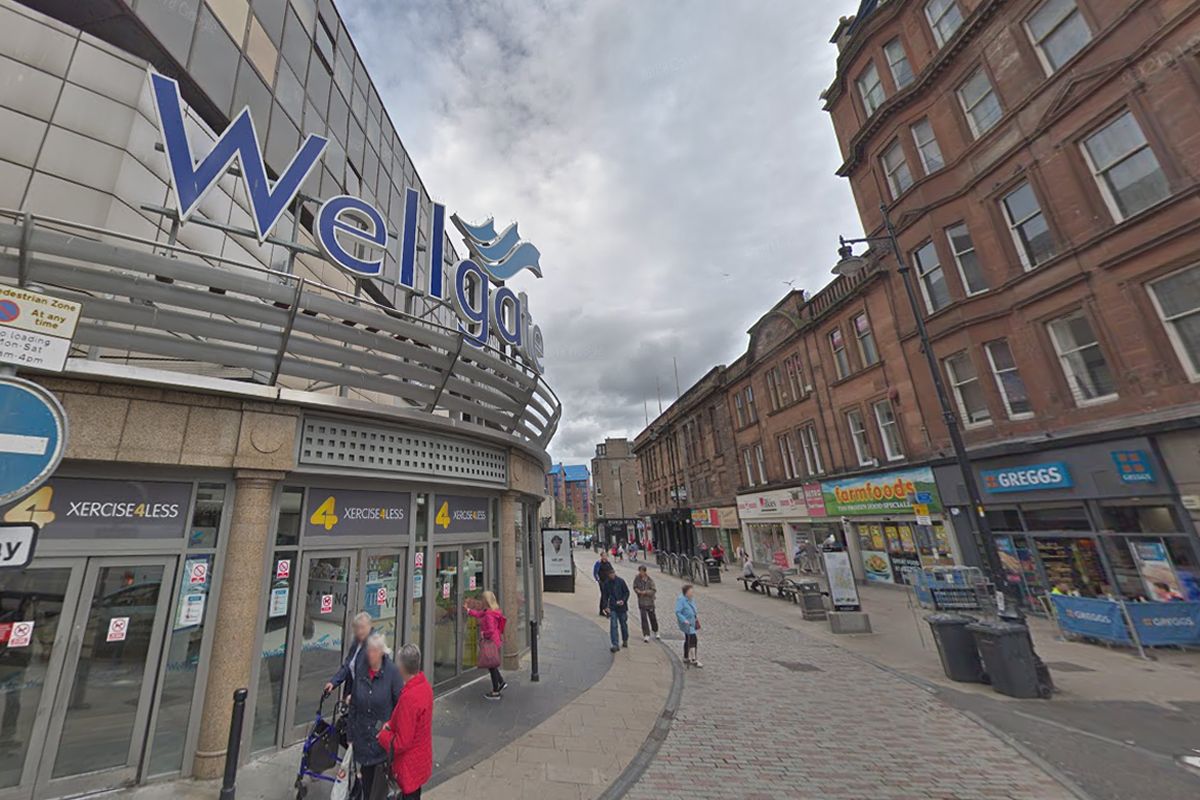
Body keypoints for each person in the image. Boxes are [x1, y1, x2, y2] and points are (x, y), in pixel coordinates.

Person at [348, 633, 402, 800]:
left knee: (380, 788)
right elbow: (354, 705)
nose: (369, 654)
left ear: (381, 652)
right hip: (363, 739)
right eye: (368, 650)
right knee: (366, 783)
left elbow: (400, 705)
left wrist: (393, 732)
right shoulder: (361, 669)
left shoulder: (392, 672)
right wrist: (351, 735)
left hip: (382, 741)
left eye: (373, 650)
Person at [379, 644, 432, 800]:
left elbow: (402, 743)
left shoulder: (409, 698)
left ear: (401, 666)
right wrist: (391, 723)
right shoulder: (425, 687)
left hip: (409, 767)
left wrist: (383, 735)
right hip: (421, 760)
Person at [466, 590, 508, 699]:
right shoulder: (492, 611)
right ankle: (501, 682)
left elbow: (491, 630)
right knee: (493, 664)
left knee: (491, 666)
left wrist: (483, 633)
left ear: (485, 601)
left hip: (491, 642)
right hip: (496, 641)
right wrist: (468, 610)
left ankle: (495, 691)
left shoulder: (489, 614)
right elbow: (479, 614)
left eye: (482, 599)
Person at [324, 611, 373, 699]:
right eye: (357, 628)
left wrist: (358, 695)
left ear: (369, 627)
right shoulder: (356, 644)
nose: (360, 631)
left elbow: (371, 677)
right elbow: (347, 666)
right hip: (352, 695)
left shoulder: (373, 646)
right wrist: (333, 682)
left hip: (365, 698)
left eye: (362, 628)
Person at [600, 566, 630, 652]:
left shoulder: (621, 581)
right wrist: (605, 607)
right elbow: (604, 596)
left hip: (622, 607)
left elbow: (627, 592)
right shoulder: (607, 583)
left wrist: (623, 601)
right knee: (613, 625)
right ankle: (615, 644)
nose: (612, 575)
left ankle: (625, 639)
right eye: (610, 574)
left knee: (623, 625)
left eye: (613, 574)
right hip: (613, 607)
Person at [674, 584, 702, 668]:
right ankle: (694, 659)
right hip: (687, 624)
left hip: (692, 622)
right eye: (690, 592)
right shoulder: (681, 600)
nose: (692, 593)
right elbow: (678, 612)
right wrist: (684, 620)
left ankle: (686, 656)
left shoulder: (691, 600)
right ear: (686, 593)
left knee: (688, 639)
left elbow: (693, 609)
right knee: (693, 639)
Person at [633, 565, 660, 642]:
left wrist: (646, 592)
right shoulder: (637, 579)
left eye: (642, 571)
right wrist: (637, 591)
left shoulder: (650, 580)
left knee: (652, 617)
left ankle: (655, 630)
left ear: (645, 572)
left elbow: (654, 590)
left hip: (649, 602)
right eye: (640, 571)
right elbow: (634, 587)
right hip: (641, 601)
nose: (640, 573)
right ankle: (646, 634)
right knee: (643, 618)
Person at [593, 552, 610, 616]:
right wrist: (598, 580)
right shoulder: (598, 563)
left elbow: (611, 571)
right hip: (602, 581)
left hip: (608, 582)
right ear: (601, 556)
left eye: (606, 556)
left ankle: (605, 609)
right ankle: (603, 609)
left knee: (607, 596)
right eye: (604, 556)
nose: (605, 557)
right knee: (604, 595)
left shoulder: (608, 563)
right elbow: (595, 572)